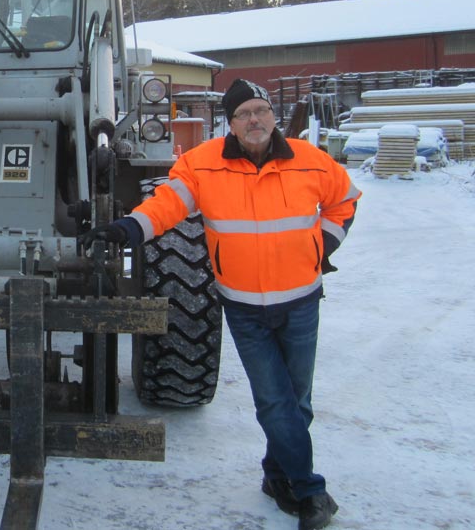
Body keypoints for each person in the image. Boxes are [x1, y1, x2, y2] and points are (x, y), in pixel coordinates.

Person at [82, 78, 360, 530]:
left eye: (261, 111)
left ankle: (276, 476)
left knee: (298, 401)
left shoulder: (313, 162)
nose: (254, 120)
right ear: (229, 124)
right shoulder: (202, 165)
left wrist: (322, 249)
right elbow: (167, 206)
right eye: (243, 114)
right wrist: (127, 229)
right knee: (274, 401)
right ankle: (311, 491)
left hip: (302, 303)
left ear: (272, 116)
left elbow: (344, 202)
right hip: (245, 307)